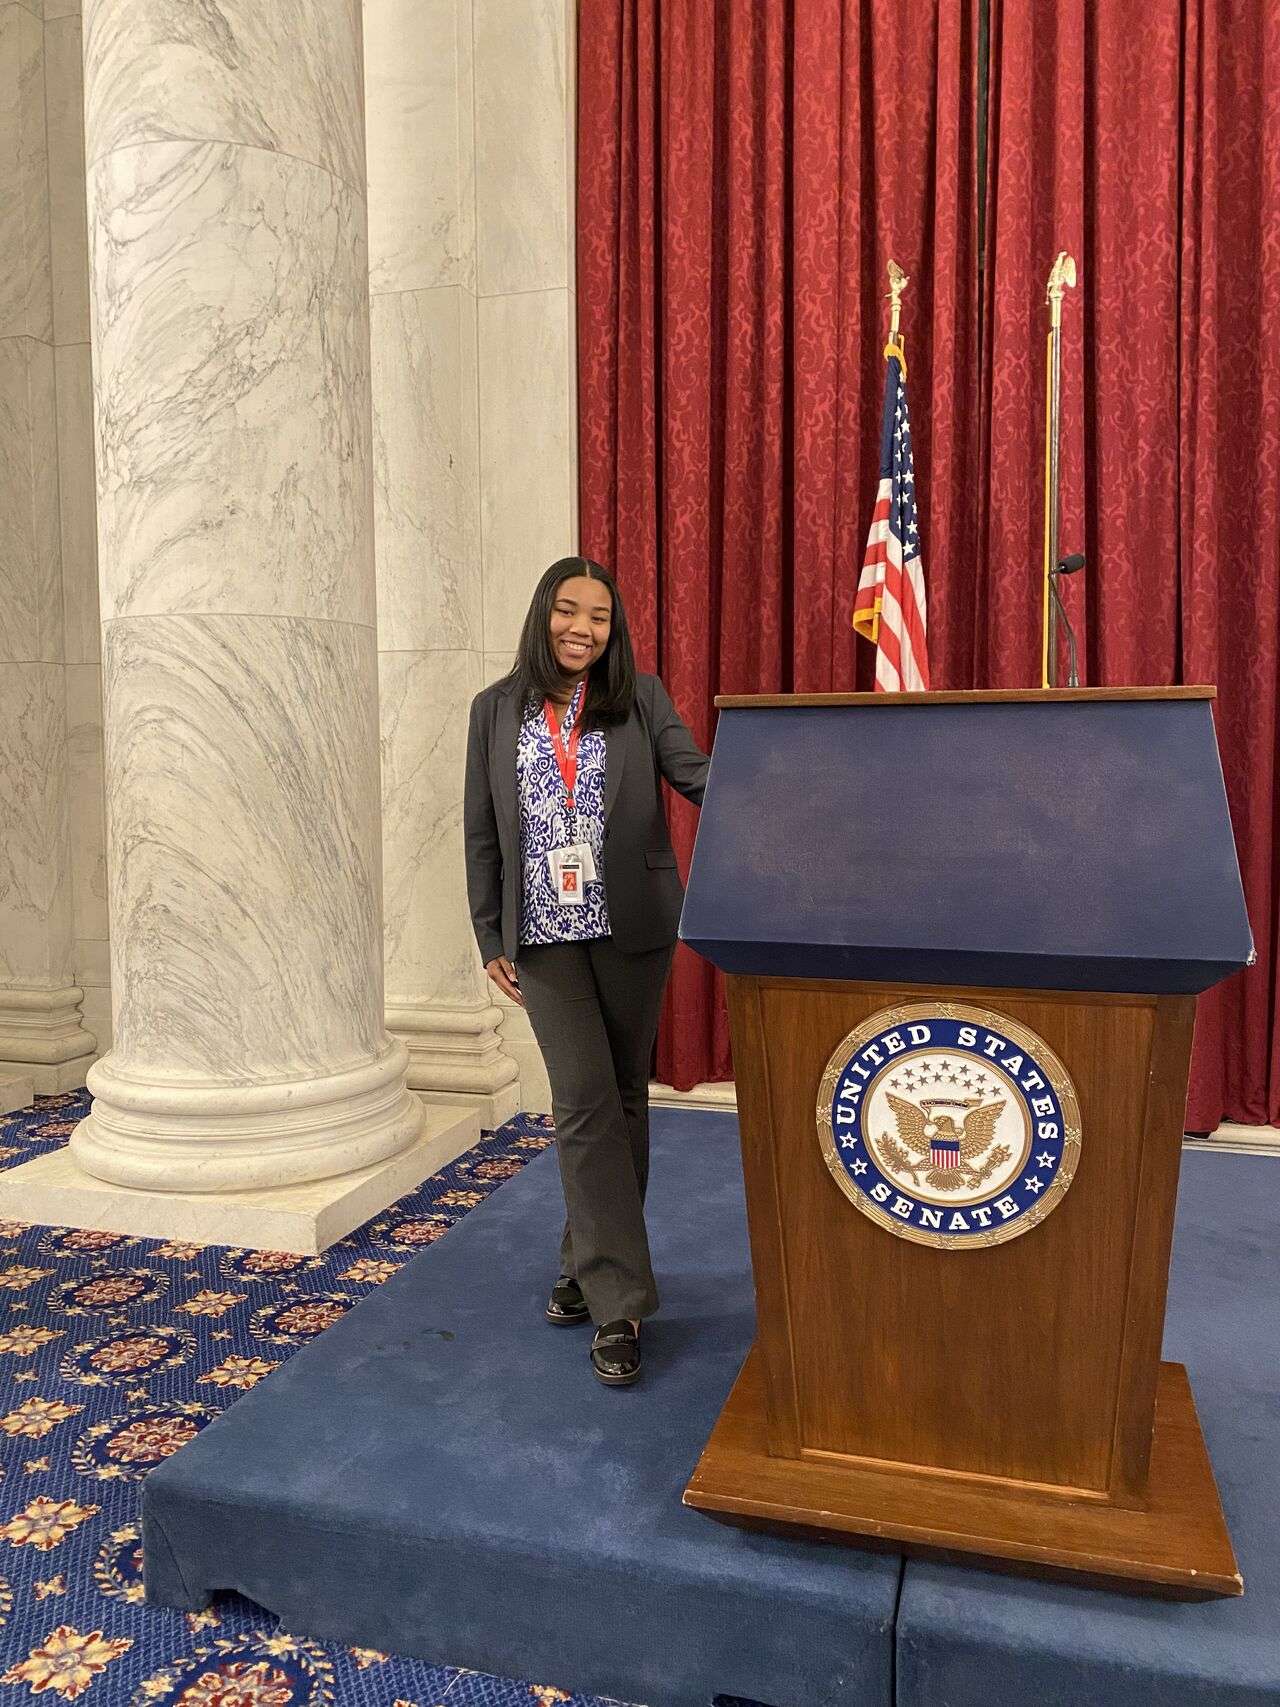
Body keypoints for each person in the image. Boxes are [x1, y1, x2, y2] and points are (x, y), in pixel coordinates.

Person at [464, 556, 709, 1387]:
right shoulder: (494, 710)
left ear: (614, 629)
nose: (582, 628)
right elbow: (482, 829)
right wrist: (487, 926)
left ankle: (584, 1255)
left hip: (633, 927)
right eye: (568, 611)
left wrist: (783, 782)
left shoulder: (639, 696)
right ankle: (621, 1301)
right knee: (582, 1099)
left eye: (598, 616)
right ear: (543, 615)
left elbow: (694, 773)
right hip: (545, 937)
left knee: (625, 1097)